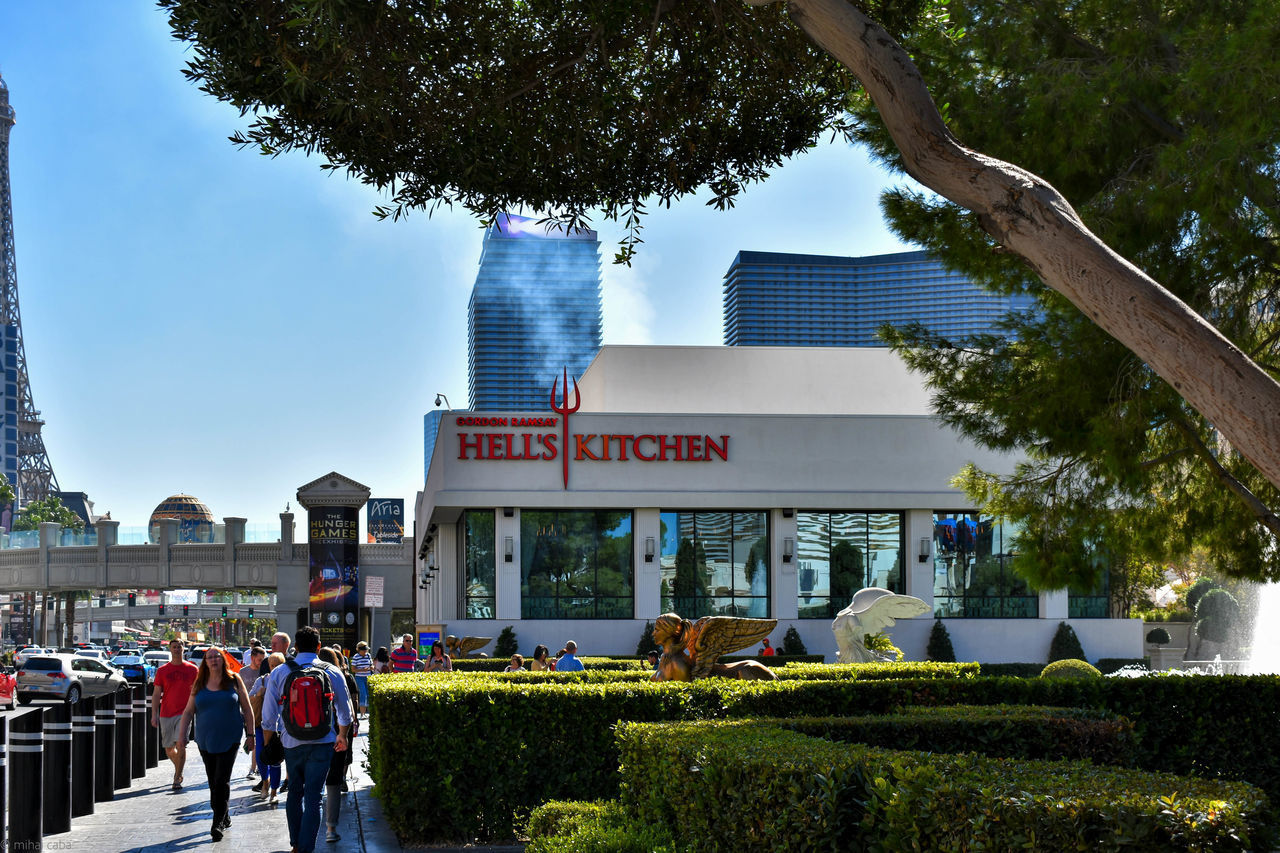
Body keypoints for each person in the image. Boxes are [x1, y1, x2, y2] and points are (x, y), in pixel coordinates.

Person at [261, 626, 352, 853]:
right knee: (314, 797)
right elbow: (346, 711)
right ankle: (306, 848)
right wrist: (342, 735)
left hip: (292, 741)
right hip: (323, 741)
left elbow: (268, 715)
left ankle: (295, 844)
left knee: (294, 792)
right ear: (319, 647)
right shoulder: (331, 671)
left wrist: (269, 742)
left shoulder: (280, 672)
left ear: (296, 647)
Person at [177, 646, 255, 842]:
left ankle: (217, 821)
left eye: (216, 657)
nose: (213, 660)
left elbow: (246, 708)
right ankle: (225, 813)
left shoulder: (234, 680)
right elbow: (188, 712)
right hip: (205, 739)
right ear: (205, 662)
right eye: (209, 657)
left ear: (223, 660)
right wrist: (182, 736)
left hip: (230, 738)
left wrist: (251, 734)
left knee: (222, 779)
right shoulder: (199, 682)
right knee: (213, 781)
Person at [317, 647, 359, 842]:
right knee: (333, 782)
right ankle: (330, 829)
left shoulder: (309, 674)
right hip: (335, 733)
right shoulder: (339, 675)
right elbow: (347, 709)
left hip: (312, 736)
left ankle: (310, 824)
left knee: (313, 783)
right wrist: (344, 733)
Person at [151, 637, 200, 791]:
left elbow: (198, 691)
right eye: (174, 647)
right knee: (168, 748)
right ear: (170, 649)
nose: (177, 649)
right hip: (166, 712)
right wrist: (154, 714)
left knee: (181, 743)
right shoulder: (162, 671)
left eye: (179, 646)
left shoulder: (193, 669)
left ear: (183, 649)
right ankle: (179, 767)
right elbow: (156, 693)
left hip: (185, 713)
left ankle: (177, 778)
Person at [250, 651, 287, 801]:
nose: (274, 668)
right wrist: (258, 694)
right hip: (262, 725)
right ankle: (265, 782)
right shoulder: (262, 680)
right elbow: (249, 697)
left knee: (276, 759)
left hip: (280, 727)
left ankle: (274, 791)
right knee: (261, 756)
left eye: (278, 665)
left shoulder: (287, 680)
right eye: (272, 665)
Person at [239, 646, 268, 778]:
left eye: (263, 659)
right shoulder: (243, 672)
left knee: (256, 739)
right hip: (246, 710)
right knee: (250, 738)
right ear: (252, 658)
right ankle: (254, 766)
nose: (261, 662)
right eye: (259, 659)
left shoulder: (264, 672)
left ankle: (253, 767)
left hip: (260, 710)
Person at [349, 641, 372, 716]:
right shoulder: (356, 657)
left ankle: (366, 712)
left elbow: (372, 665)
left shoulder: (368, 655)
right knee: (363, 694)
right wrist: (362, 670)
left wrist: (371, 667)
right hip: (359, 678)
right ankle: (362, 713)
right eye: (364, 649)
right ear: (359, 650)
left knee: (368, 694)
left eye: (366, 649)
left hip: (368, 677)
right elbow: (353, 669)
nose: (365, 651)